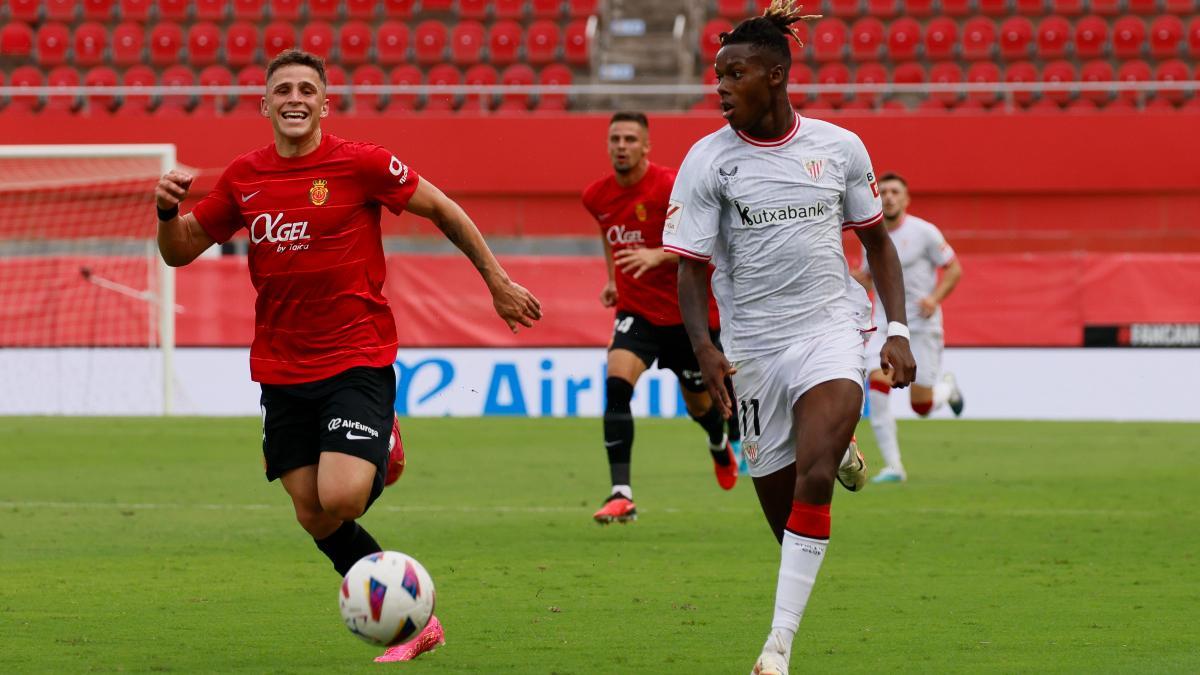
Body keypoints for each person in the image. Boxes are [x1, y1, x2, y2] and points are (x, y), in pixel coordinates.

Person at [153, 49, 541, 663]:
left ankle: (382, 436)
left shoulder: (359, 163)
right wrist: (166, 212)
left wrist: (496, 281)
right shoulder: (243, 177)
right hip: (280, 367)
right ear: (265, 104)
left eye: (308, 89)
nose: (295, 98)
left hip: (355, 355)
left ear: (325, 103)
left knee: (342, 498)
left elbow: (442, 207)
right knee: (311, 512)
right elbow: (180, 251)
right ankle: (419, 626)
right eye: (283, 90)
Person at [663, 4, 917, 674]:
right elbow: (691, 270)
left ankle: (777, 646)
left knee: (813, 478)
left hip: (830, 328)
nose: (720, 88)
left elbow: (877, 244)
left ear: (776, 76)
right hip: (753, 350)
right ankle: (833, 447)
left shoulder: (838, 148)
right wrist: (705, 347)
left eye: (734, 74)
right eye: (717, 76)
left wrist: (895, 327)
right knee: (787, 524)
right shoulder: (707, 162)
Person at [581, 111, 742, 525]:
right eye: (615, 138)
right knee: (616, 385)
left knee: (701, 405)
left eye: (630, 139)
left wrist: (658, 254)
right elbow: (608, 232)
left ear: (646, 146)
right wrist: (612, 279)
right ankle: (621, 493)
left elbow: (708, 240)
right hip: (636, 311)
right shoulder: (596, 195)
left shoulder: (672, 186)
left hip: (688, 317)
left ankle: (717, 442)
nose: (621, 146)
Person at [850, 172, 964, 483]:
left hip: (922, 326)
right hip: (886, 324)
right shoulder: (871, 235)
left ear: (906, 198)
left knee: (922, 405)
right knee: (878, 387)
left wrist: (934, 298)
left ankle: (947, 390)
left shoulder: (925, 232)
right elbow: (871, 275)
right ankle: (894, 467)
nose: (888, 196)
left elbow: (954, 268)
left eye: (895, 192)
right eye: (883, 191)